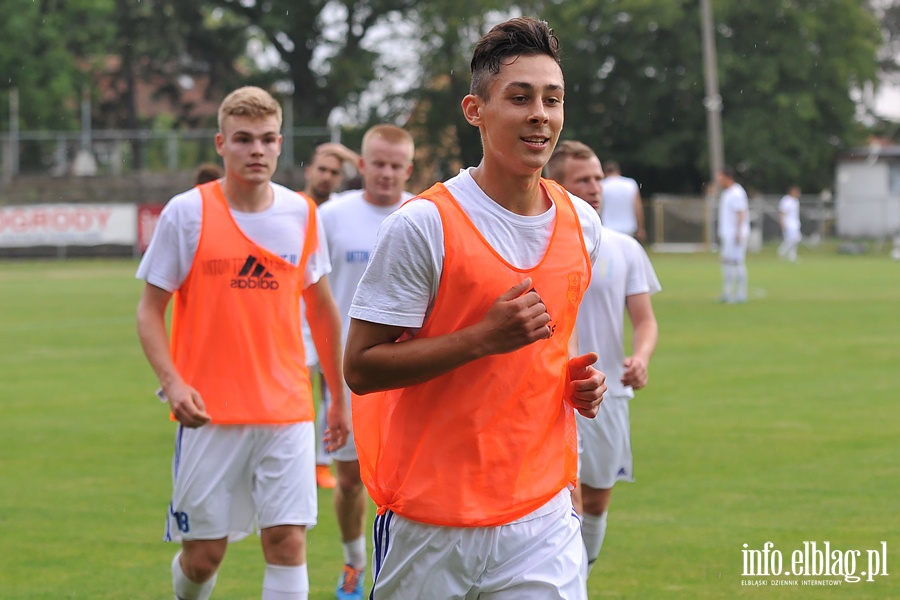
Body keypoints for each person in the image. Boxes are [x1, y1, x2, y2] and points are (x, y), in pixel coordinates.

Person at [343, 17, 607, 599]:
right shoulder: (424, 225)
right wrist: (481, 338)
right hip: (430, 520)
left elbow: (540, 356)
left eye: (552, 98)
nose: (540, 113)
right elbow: (360, 368)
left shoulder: (583, 225)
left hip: (540, 515)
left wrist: (575, 384)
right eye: (520, 97)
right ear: (475, 110)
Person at [135, 86, 350, 600]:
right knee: (204, 556)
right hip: (209, 412)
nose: (257, 149)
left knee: (286, 541)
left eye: (268, 139)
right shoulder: (186, 213)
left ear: (280, 144)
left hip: (287, 410)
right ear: (221, 144)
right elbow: (149, 311)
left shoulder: (302, 214)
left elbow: (321, 310)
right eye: (243, 139)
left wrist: (337, 399)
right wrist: (174, 383)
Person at [546, 140, 660, 573]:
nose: (596, 187)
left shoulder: (624, 248)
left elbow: (645, 321)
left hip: (607, 393)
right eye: (584, 180)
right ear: (558, 184)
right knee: (563, 496)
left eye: (598, 178)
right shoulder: (538, 244)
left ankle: (580, 577)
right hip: (551, 395)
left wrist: (641, 357)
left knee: (596, 497)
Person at [317, 124, 415, 600]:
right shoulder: (332, 218)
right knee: (351, 479)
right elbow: (313, 298)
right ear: (362, 166)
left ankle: (396, 566)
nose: (387, 174)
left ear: (409, 169)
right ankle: (354, 562)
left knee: (403, 482)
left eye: (397, 166)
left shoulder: (425, 213)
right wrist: (320, 370)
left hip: (411, 374)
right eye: (378, 164)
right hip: (347, 375)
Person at [299, 142, 360, 490]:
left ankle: (321, 462)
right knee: (300, 386)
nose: (327, 177)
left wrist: (344, 150)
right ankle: (302, 459)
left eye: (335, 172)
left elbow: (379, 171)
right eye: (322, 169)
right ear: (309, 171)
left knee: (331, 390)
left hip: (329, 314)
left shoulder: (340, 210)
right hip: (295, 315)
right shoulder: (292, 207)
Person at [717, 166, 750, 303]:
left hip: (735, 235)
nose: (718, 181)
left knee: (737, 263)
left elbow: (741, 213)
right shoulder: (726, 193)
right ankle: (727, 292)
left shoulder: (737, 192)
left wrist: (738, 233)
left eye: (720, 178)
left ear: (728, 177)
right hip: (727, 234)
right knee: (726, 263)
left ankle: (741, 293)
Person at [600, 160, 646, 243]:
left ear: (605, 172)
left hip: (608, 228)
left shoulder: (602, 185)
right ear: (618, 171)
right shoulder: (631, 184)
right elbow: (638, 207)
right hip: (628, 229)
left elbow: (599, 208)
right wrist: (641, 228)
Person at [778, 185, 802, 262]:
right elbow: (782, 212)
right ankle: (781, 251)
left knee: (796, 239)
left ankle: (792, 256)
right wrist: (782, 222)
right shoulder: (786, 200)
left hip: (795, 224)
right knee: (790, 239)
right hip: (788, 223)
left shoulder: (795, 201)